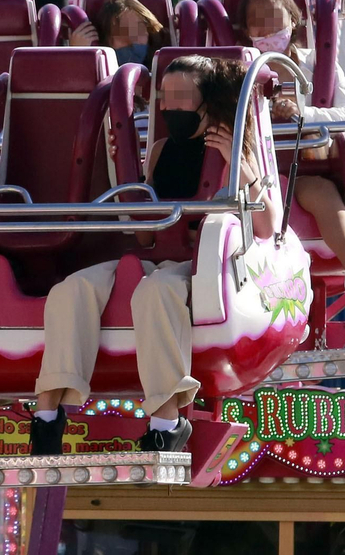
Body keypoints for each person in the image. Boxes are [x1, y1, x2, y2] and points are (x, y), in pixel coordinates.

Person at [30, 55, 277, 454]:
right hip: (157, 252)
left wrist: (243, 173)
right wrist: (125, 176)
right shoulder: (161, 149)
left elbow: (267, 227)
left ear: (205, 100)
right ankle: (46, 418)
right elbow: (146, 235)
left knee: (156, 293)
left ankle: (167, 421)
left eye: (182, 97)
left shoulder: (235, 147)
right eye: (166, 97)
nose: (169, 107)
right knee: (70, 290)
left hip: (207, 261)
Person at [235, 0, 345, 295]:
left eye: (274, 19)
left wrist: (302, 116)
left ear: (293, 20)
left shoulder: (317, 64)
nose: (267, 29)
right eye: (258, 21)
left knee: (321, 193)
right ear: (246, 30)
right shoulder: (238, 68)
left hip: (302, 169)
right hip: (253, 174)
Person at [70, 0, 169, 67]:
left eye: (137, 32)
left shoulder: (166, 67)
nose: (131, 42)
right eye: (121, 36)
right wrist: (78, 56)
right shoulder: (99, 70)